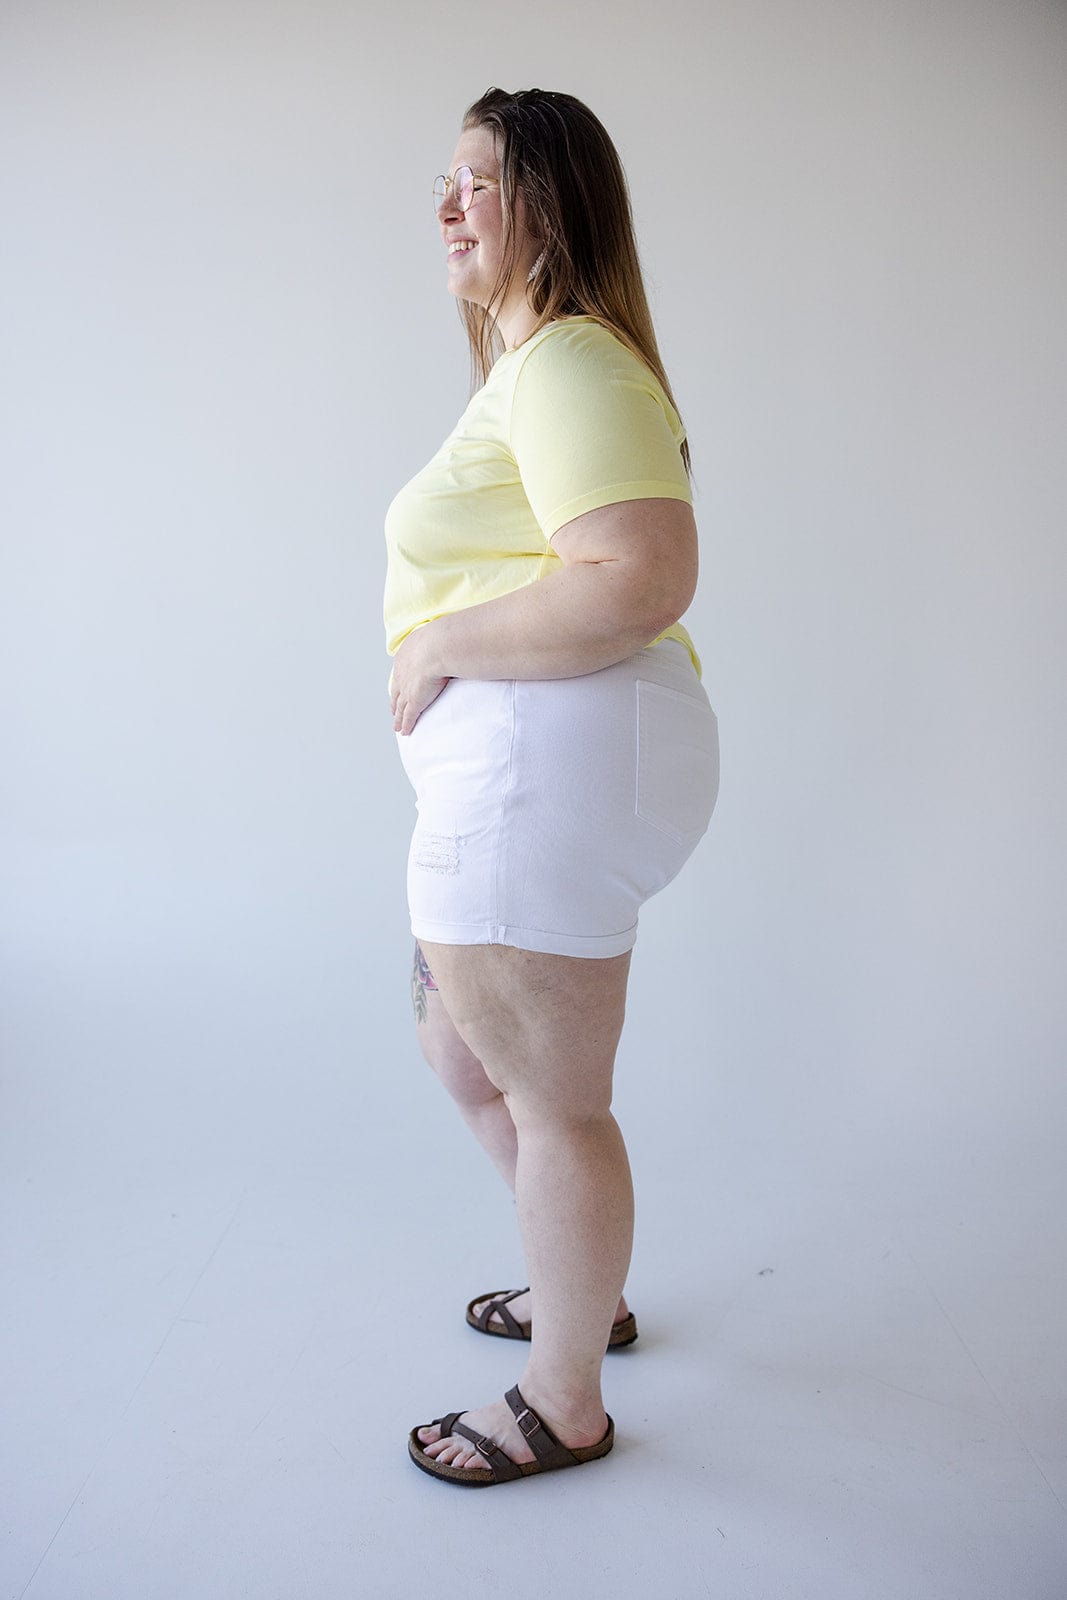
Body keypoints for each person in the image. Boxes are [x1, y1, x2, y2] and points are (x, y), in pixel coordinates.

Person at [384, 86, 720, 1487]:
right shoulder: (540, 369)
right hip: (543, 765)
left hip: (546, 765)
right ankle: (580, 1285)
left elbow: (639, 575)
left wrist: (444, 640)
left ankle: (564, 1396)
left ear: (556, 206)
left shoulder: (572, 361)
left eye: (482, 178)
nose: (447, 202)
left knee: (555, 1097)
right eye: (446, 177)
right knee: (468, 1055)